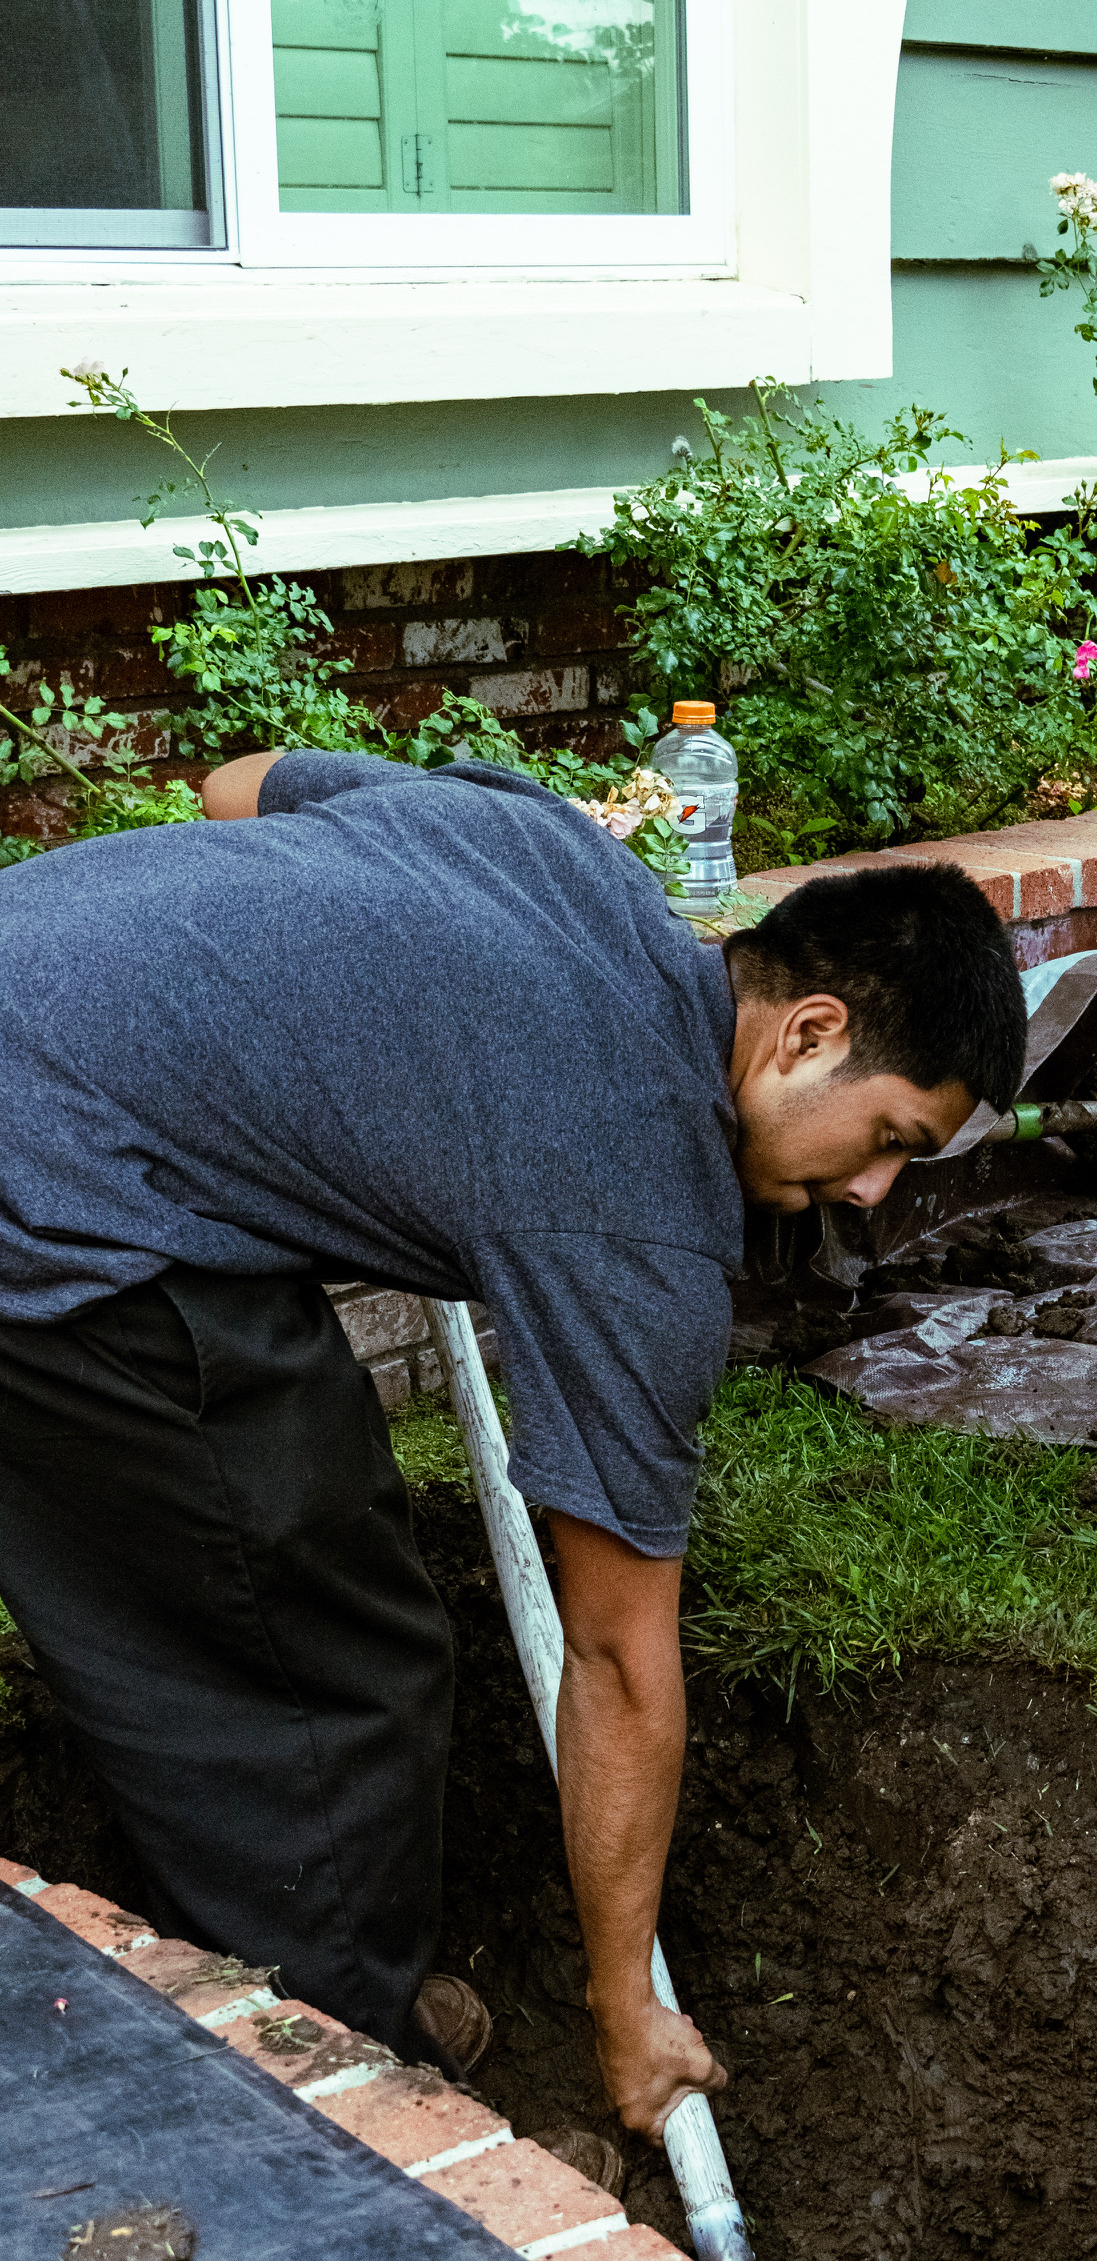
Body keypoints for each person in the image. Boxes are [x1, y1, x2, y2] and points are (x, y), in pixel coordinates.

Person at [0, 747, 1024, 2132]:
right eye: (890, 1135)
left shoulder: (558, 854)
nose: (875, 1189)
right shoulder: (634, 1205)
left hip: (51, 1056)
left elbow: (238, 788)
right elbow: (613, 1653)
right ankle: (325, 2090)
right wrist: (624, 2010)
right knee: (323, 1666)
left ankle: (250, 1956)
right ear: (807, 1031)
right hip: (47, 1187)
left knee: (282, 1539)